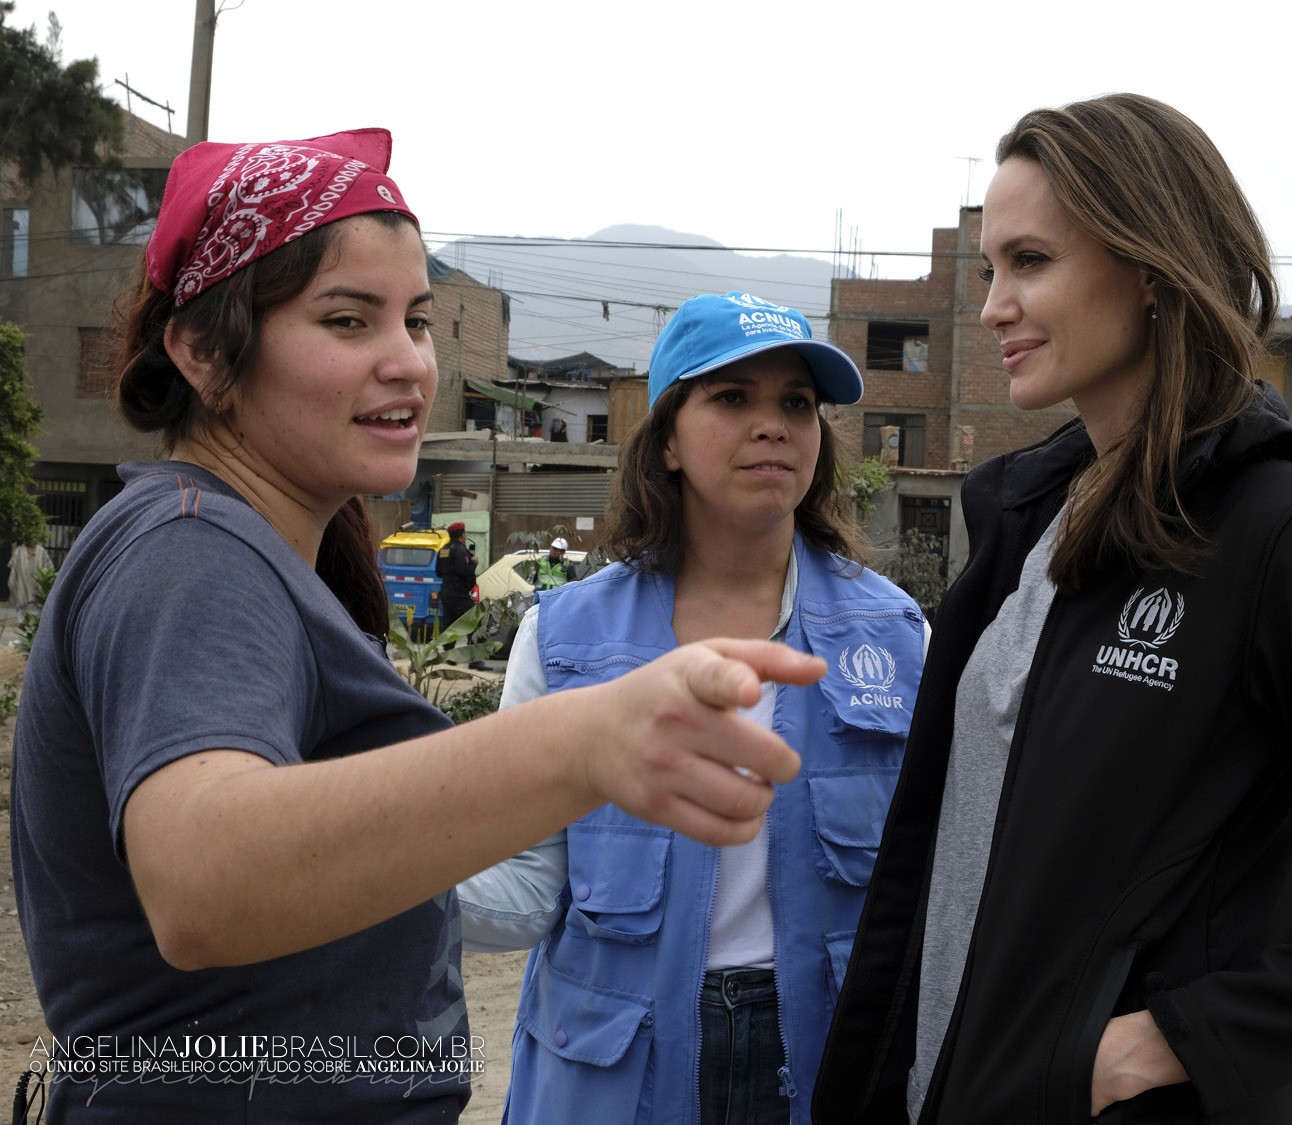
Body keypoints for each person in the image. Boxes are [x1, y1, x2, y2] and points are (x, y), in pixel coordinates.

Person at [10, 132, 825, 1122]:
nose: (409, 364)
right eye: (348, 321)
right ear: (204, 349)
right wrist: (585, 743)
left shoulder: (263, 555)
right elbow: (202, 877)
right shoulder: (193, 551)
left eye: (418, 322)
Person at [812, 94, 1292, 1125]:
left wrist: (1169, 1042)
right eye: (990, 268)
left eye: (1031, 261)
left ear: (1149, 268)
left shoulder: (1285, 530)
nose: (993, 304)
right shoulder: (1023, 515)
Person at [458, 291, 928, 1125]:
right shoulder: (562, 638)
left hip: (826, 1060)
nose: (773, 424)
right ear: (668, 438)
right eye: (732, 397)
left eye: (796, 403)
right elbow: (532, 886)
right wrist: (377, 878)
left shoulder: (896, 637)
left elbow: (929, 884)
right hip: (615, 1069)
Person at [436, 519, 478, 631]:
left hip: (447, 594)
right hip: (459, 595)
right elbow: (464, 570)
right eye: (465, 533)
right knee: (474, 624)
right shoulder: (459, 550)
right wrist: (474, 563)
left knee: (449, 627)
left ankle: (448, 648)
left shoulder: (443, 550)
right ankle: (474, 646)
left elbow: (438, 572)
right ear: (462, 534)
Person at [6, 539, 50, 609]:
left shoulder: (41, 551)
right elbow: (13, 567)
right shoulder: (19, 550)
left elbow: (48, 567)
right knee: (22, 615)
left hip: (36, 588)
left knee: (36, 614)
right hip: (22, 585)